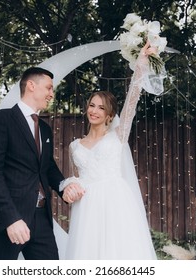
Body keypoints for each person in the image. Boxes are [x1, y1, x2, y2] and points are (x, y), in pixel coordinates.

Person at [60, 45, 158, 259]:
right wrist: (69, 184)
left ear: (110, 115)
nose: (94, 111)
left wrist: (140, 65)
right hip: (87, 207)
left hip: (115, 201)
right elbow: (72, 177)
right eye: (92, 105)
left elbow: (132, 100)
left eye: (101, 108)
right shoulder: (75, 145)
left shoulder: (118, 136)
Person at [0, 66, 82, 260]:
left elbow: (47, 168)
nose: (51, 94)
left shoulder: (44, 128)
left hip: (41, 219)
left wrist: (65, 187)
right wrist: (10, 219)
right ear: (31, 86)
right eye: (49, 88)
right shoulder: (2, 119)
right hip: (9, 220)